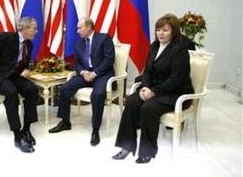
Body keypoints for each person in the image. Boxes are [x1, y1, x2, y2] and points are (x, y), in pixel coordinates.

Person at [112, 13, 194, 164]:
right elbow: (148, 70)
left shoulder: (179, 50)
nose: (160, 33)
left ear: (174, 32)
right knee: (132, 101)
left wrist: (154, 92)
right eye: (158, 30)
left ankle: (147, 151)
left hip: (176, 92)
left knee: (148, 108)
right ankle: (126, 146)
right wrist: (146, 87)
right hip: (155, 88)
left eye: (165, 30)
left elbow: (176, 79)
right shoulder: (154, 46)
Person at [48, 16, 115, 146]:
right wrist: (84, 73)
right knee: (65, 88)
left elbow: (109, 60)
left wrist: (94, 74)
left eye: (80, 27)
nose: (77, 30)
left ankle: (95, 129)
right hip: (86, 75)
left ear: (89, 27)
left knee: (98, 94)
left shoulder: (104, 38)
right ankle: (65, 121)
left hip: (101, 75)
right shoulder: (79, 43)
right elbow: (77, 63)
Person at [0, 17, 39, 153]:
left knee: (32, 89)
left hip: (15, 76)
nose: (36, 31)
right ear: (26, 28)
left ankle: (26, 129)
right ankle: (17, 136)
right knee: (11, 92)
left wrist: (24, 70)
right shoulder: (6, 38)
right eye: (34, 28)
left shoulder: (29, 44)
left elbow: (21, 63)